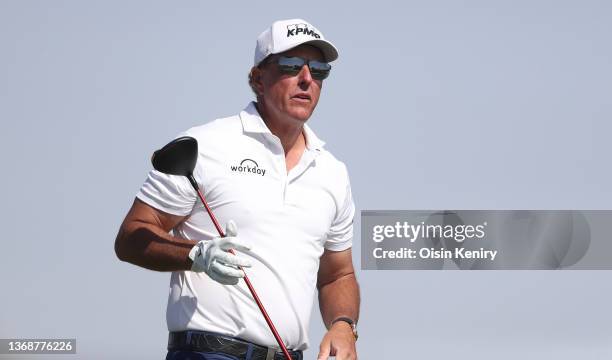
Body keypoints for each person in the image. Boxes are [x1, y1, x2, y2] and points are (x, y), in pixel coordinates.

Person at [114, 18, 360, 360]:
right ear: (258, 78)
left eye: (319, 71)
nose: (307, 79)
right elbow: (131, 237)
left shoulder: (333, 172)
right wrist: (195, 255)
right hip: (208, 353)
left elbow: (338, 274)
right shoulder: (204, 145)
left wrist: (343, 326)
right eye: (291, 66)